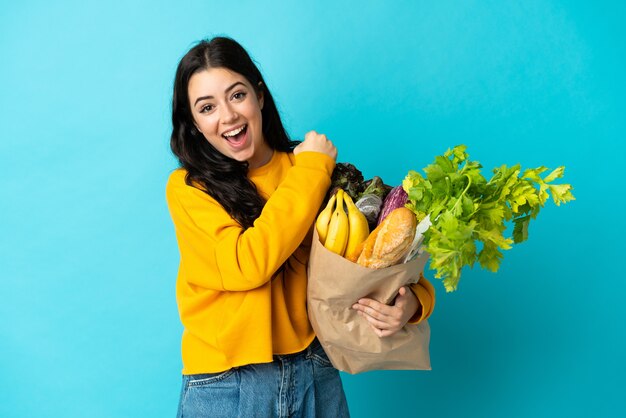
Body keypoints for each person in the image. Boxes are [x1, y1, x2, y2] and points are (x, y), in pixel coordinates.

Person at [165, 36, 435, 418]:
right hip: (228, 384)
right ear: (194, 123)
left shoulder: (309, 171)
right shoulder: (191, 189)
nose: (227, 116)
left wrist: (412, 303)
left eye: (237, 95)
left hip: (316, 373)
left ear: (259, 95)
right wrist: (310, 170)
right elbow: (247, 265)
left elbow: (374, 253)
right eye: (207, 107)